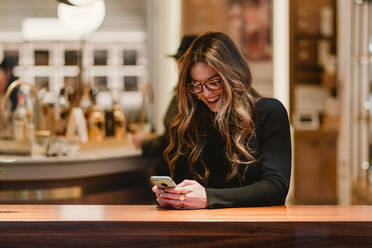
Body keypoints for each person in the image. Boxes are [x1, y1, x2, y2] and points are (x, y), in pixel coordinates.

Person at [152, 32, 291, 209]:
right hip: (200, 229)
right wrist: (174, 196)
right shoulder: (191, 120)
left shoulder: (269, 112)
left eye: (214, 82)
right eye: (196, 85)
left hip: (254, 228)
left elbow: (275, 189)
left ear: (233, 76)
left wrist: (209, 197)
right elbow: (183, 183)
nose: (206, 94)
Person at [132, 35, 197, 157]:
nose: (178, 66)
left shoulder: (195, 96)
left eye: (182, 61)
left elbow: (174, 142)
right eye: (178, 61)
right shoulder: (180, 92)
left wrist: (145, 143)